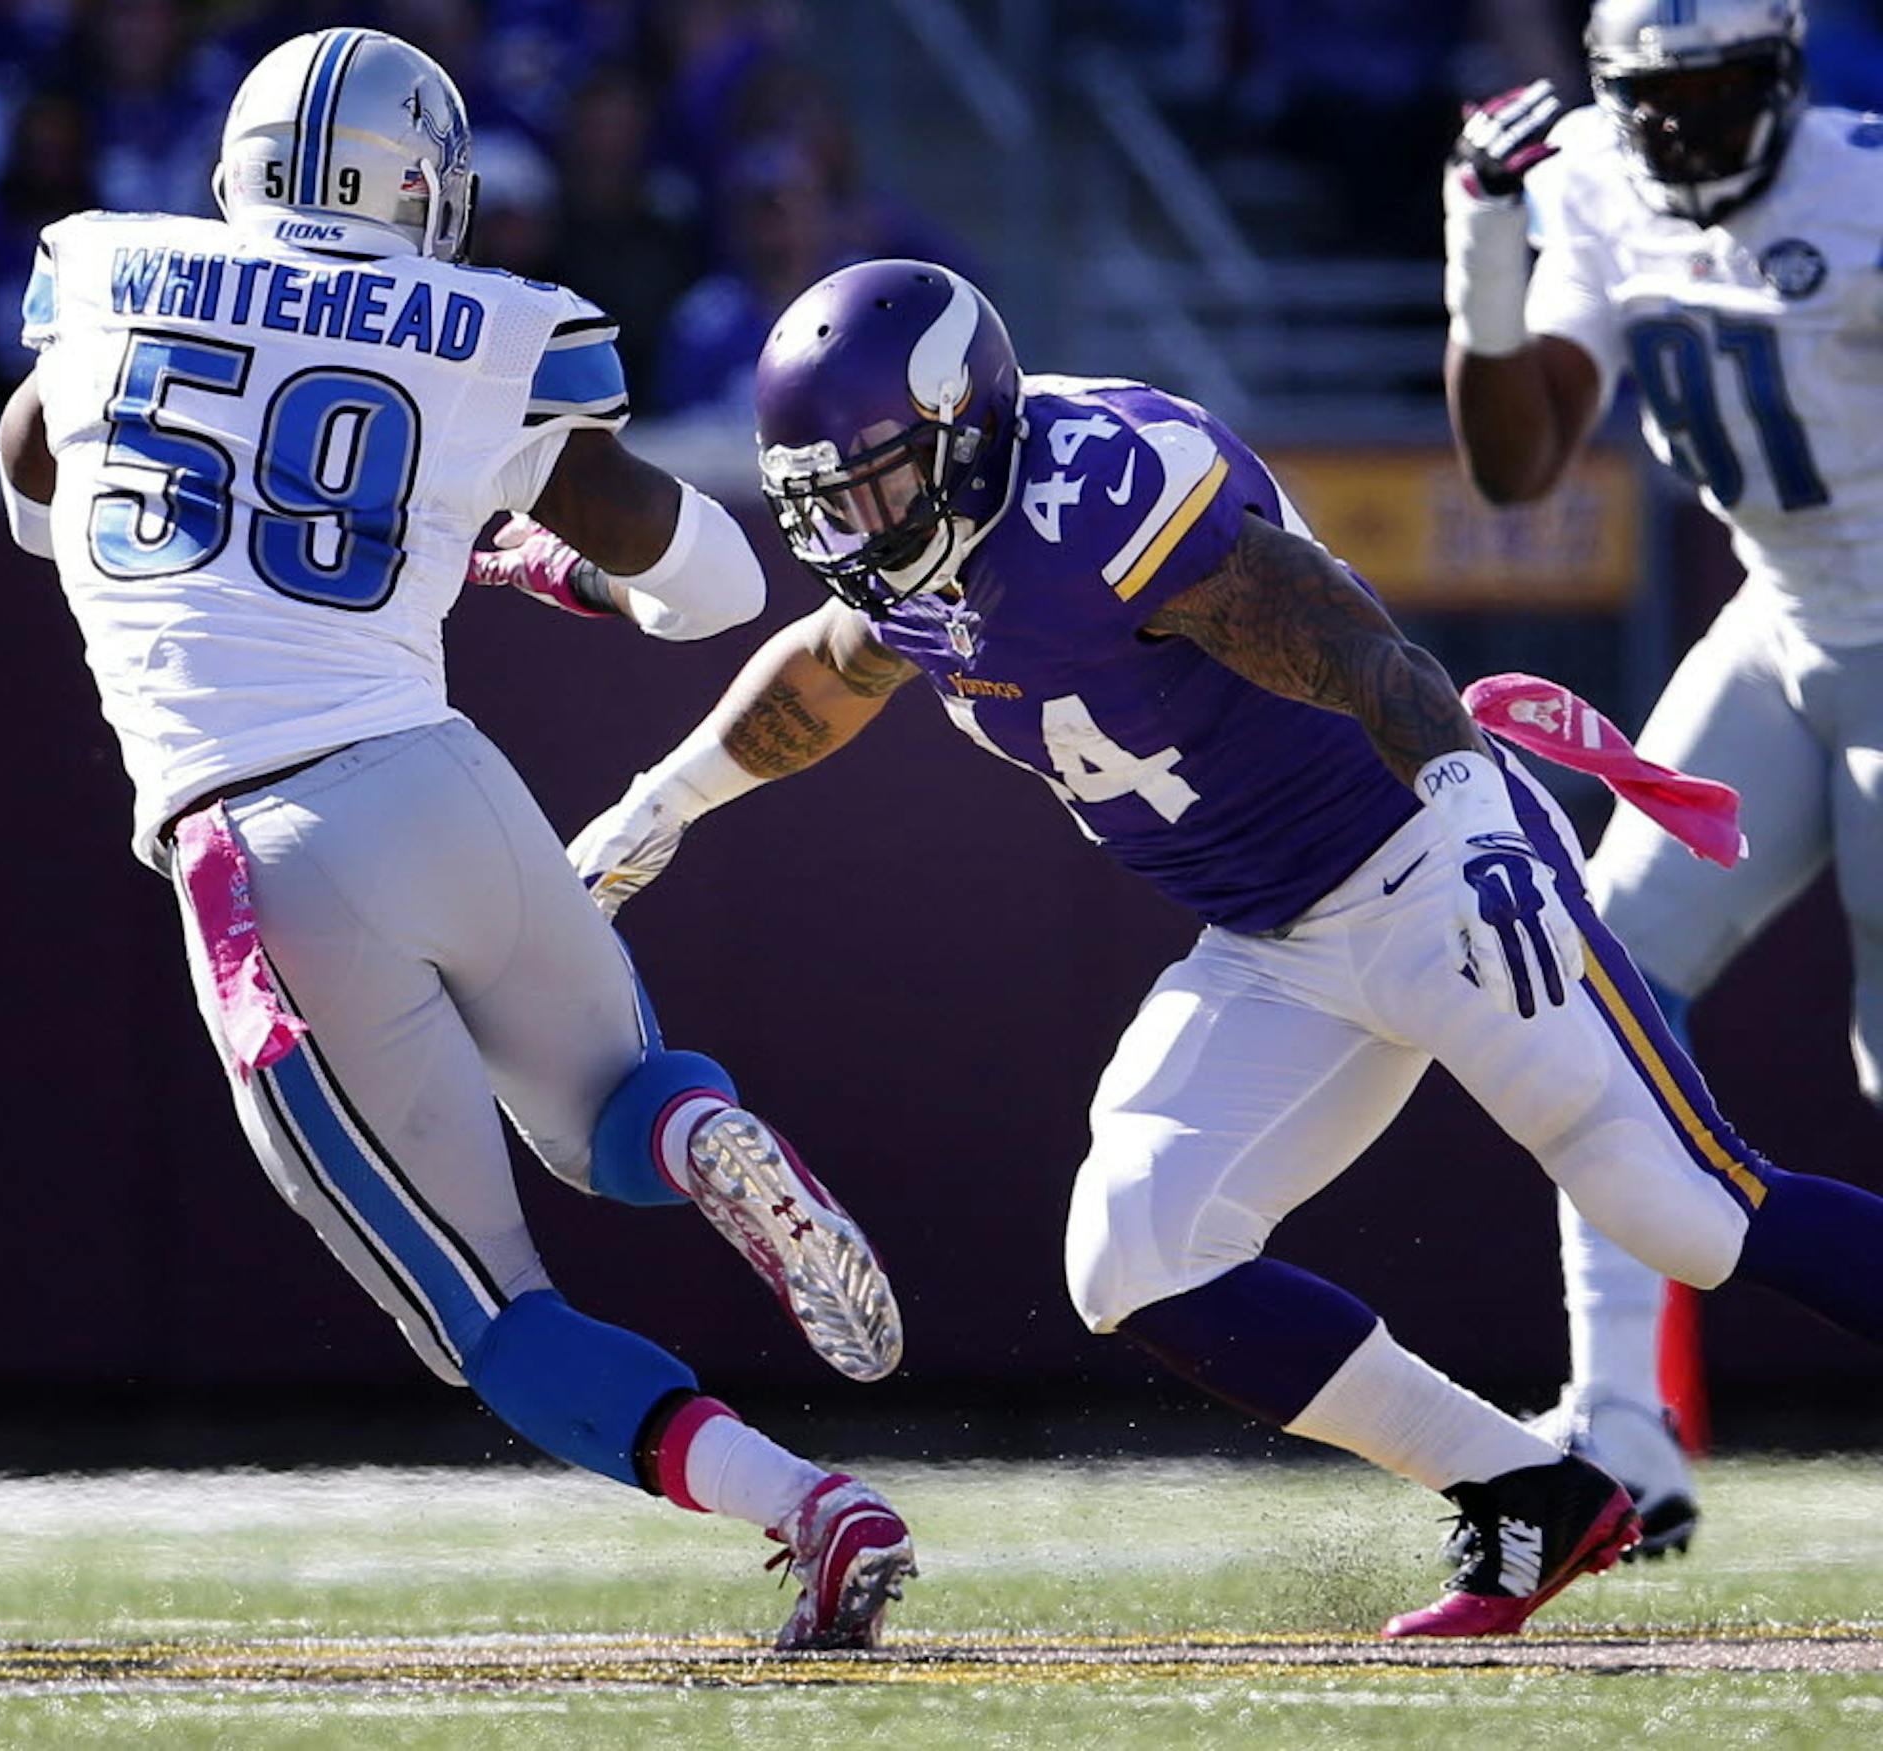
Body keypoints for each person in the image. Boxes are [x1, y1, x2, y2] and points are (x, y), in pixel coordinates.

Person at [566, 256, 1883, 1637]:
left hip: (1428, 860)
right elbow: (840, 663)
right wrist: (664, 803)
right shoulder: (920, 540)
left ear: (966, 428)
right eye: (826, 500)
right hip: (1271, 937)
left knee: (1684, 1208)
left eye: (878, 486)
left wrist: (1478, 821)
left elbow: (1366, 655)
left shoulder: (1107, 493)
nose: (856, 528)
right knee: (1137, 1253)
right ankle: (1528, 1492)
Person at [0, 28, 914, 1651]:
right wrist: (538, 548)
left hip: (260, 846)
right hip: (442, 775)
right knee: (613, 1113)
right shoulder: (486, 331)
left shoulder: (104, 276)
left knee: (485, 1314)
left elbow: (29, 487)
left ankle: (810, 1507)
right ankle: (706, 1139)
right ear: (426, 187)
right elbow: (715, 588)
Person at [1442, 0, 1883, 1557]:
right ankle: (1623, 1420)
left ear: (1787, 79)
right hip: (1779, 619)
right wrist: (1484, 254)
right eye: (1658, 100)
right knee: (1596, 979)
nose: (1686, 132)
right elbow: (1517, 466)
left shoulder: (1863, 186)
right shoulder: (1589, 184)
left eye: (1722, 94)